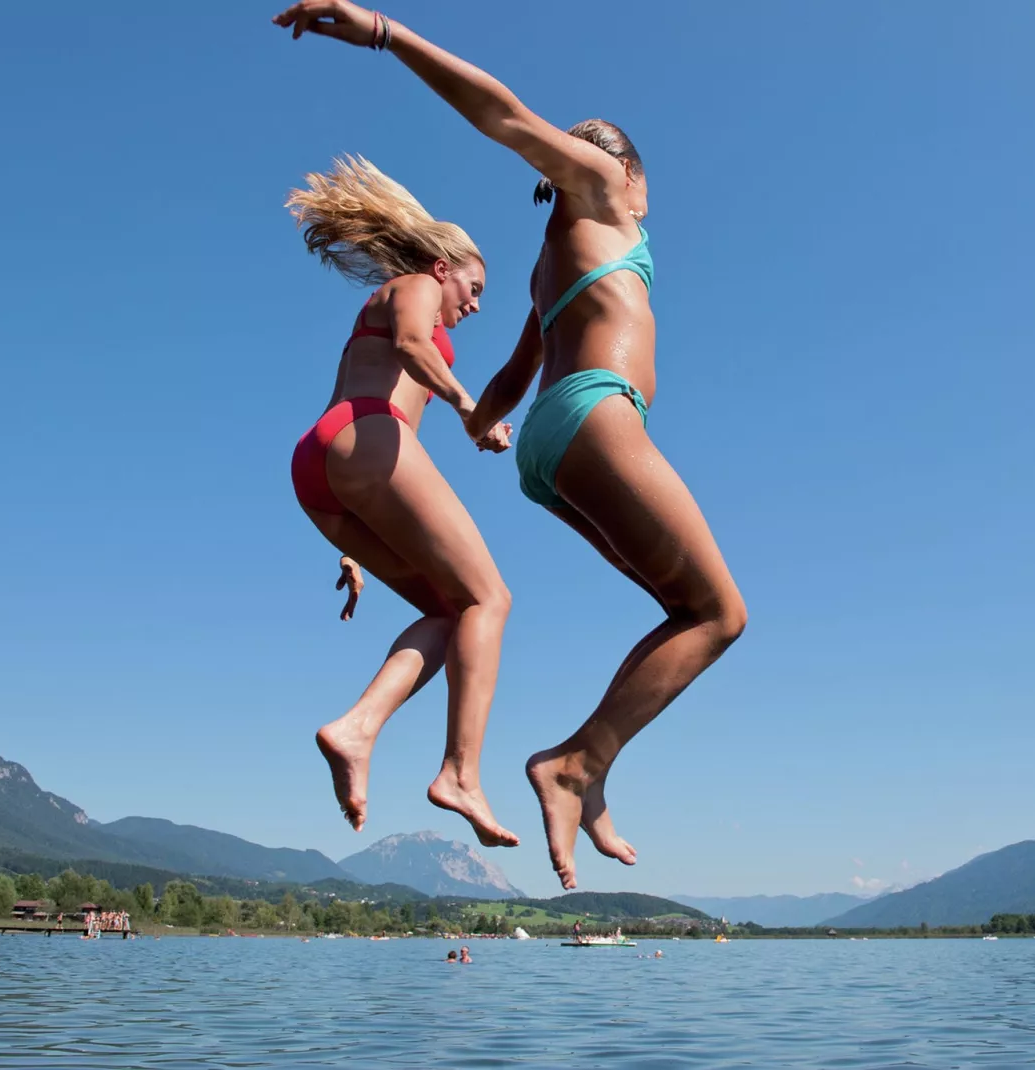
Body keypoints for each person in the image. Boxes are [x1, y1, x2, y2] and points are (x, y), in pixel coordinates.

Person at [274, 1, 748, 890]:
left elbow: (509, 381)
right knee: (722, 614)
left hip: (549, 441)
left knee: (681, 612)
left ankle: (586, 777)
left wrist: (477, 417)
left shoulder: (545, 266)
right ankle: (573, 766)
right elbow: (506, 116)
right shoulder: (606, 193)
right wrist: (386, 32)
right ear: (627, 173)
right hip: (598, 417)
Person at [284, 151, 519, 848]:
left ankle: (356, 730)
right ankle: (461, 774)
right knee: (490, 601)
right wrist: (470, 407)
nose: (475, 304)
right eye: (473, 288)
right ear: (444, 268)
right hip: (364, 437)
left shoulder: (392, 305)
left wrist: (353, 547)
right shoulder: (415, 286)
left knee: (453, 616)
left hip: (330, 465)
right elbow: (417, 346)